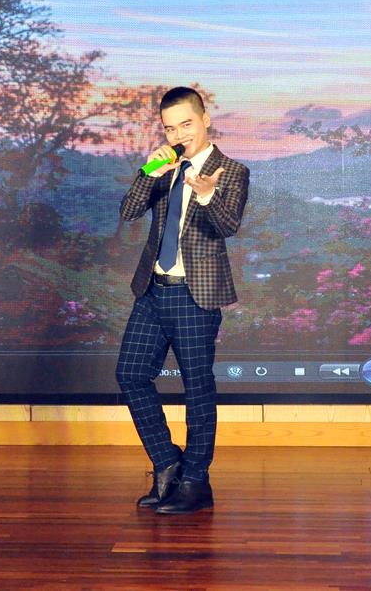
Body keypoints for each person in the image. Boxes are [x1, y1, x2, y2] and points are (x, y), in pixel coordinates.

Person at [116, 86, 250, 515]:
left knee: (197, 388)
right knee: (131, 374)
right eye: (170, 128)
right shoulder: (165, 168)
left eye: (186, 124)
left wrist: (207, 193)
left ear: (205, 120)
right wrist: (149, 171)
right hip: (153, 289)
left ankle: (196, 481)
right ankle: (167, 464)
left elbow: (228, 225)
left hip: (196, 296)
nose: (179, 135)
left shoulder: (232, 171)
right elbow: (128, 211)